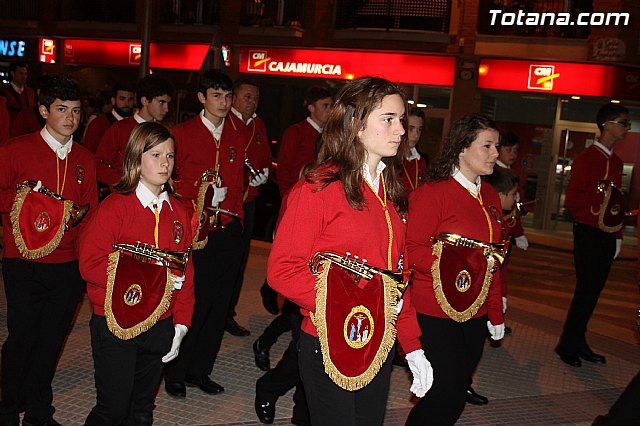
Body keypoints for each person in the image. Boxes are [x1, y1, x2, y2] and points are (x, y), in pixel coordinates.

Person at [267, 76, 432, 426]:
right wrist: (348, 303)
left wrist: (412, 345)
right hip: (328, 342)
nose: (400, 130)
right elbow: (282, 270)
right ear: (356, 124)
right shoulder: (318, 188)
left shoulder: (391, 192)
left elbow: (395, 284)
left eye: (401, 119)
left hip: (379, 342)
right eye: (388, 119)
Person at [79, 122, 195, 425]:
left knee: (142, 409)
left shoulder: (180, 212)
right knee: (113, 409)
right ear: (135, 159)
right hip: (115, 320)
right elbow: (90, 263)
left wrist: (181, 325)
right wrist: (151, 278)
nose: (164, 163)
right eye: (155, 155)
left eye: (169, 156)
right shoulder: (115, 207)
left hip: (160, 322)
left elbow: (187, 274)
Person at [0, 74, 98, 426]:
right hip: (22, 260)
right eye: (61, 109)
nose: (70, 118)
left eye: (76, 111)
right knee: (22, 336)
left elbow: (90, 216)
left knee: (52, 340)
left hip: (66, 264)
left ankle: (39, 411)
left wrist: (87, 266)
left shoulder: (86, 158)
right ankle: (7, 408)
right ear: (43, 111)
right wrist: (32, 202)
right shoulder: (15, 149)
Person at [405, 113, 506, 425]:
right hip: (434, 310)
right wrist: (449, 268)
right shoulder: (432, 193)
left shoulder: (489, 195)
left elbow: (493, 259)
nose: (495, 154)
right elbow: (411, 250)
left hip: (474, 311)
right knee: (444, 391)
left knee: (457, 390)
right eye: (487, 146)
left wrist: (496, 309)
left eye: (497, 146)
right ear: (462, 148)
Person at [164, 69, 245, 399]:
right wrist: (202, 190)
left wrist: (233, 205)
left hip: (227, 229)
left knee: (218, 304)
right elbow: (170, 181)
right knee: (192, 302)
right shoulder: (181, 133)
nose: (223, 103)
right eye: (216, 96)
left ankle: (201, 370)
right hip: (194, 232)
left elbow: (238, 183)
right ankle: (176, 372)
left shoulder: (237, 136)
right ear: (201, 98)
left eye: (227, 97)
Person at [556, 103, 629, 368]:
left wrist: (617, 233)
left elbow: (616, 204)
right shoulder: (586, 159)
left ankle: (578, 340)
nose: (626, 128)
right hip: (588, 232)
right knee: (586, 290)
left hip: (607, 234)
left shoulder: (617, 163)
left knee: (594, 291)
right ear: (607, 124)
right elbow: (574, 201)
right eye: (623, 123)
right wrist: (596, 215)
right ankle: (567, 344)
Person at [224, 77, 272, 337]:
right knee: (223, 260)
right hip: (225, 202)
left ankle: (228, 313)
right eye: (247, 97)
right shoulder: (226, 121)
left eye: (255, 98)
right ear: (233, 97)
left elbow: (264, 157)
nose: (252, 102)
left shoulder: (258, 125)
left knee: (241, 260)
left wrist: (263, 173)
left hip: (248, 201)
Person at [95, 75, 173, 188]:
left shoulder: (165, 131)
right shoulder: (120, 129)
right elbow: (98, 165)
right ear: (145, 101)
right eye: (161, 102)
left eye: (168, 103)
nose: (166, 108)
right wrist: (123, 182)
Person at [276, 85, 332, 198]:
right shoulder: (295, 132)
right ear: (311, 107)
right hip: (297, 194)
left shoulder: (330, 135)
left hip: (320, 195)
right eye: (325, 106)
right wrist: (286, 197)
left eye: (331, 106)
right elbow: (283, 168)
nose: (330, 110)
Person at [495, 130, 528, 251]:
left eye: (515, 150)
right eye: (508, 150)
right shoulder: (494, 173)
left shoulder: (510, 172)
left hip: (508, 228)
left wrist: (519, 233)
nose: (513, 154)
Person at [83, 83, 135, 154]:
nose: (127, 104)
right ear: (113, 101)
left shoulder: (136, 124)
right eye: (122, 99)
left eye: (130, 99)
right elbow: (88, 153)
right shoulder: (98, 124)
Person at [0, 61, 40, 138]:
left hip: (27, 133)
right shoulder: (3, 92)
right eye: (21, 73)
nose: (24, 77)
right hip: (9, 132)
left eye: (25, 74)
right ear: (12, 73)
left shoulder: (31, 92)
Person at [399, 107, 428, 192]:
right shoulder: (390, 160)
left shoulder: (421, 161)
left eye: (419, 130)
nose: (416, 135)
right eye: (411, 129)